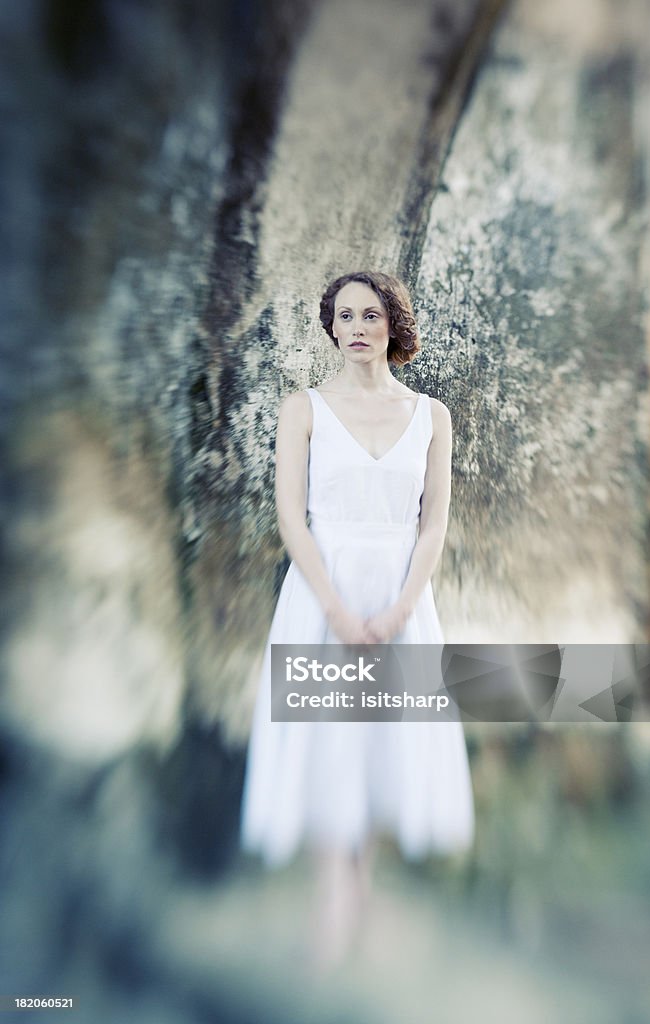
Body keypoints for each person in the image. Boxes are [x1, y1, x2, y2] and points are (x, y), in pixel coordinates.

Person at [240, 270, 475, 965]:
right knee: (322, 729)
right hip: (323, 591)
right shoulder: (302, 409)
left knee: (379, 733)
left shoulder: (431, 415)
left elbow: (433, 524)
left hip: (401, 594)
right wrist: (335, 608)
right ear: (331, 327)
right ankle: (331, 891)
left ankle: (362, 878)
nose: (357, 327)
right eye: (345, 316)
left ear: (391, 325)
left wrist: (402, 605)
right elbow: (291, 516)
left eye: (370, 315)